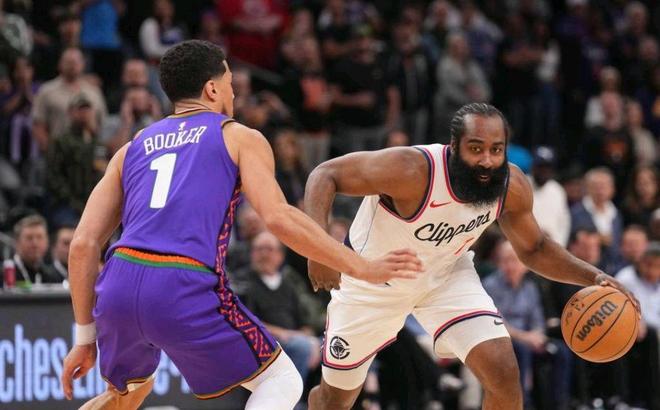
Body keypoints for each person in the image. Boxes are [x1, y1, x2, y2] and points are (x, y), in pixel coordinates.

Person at [60, 40, 421, 410]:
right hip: (181, 279)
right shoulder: (237, 136)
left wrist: (85, 337)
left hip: (118, 282)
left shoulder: (131, 148)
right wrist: (361, 267)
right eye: (229, 82)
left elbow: (83, 244)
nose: (233, 92)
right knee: (280, 379)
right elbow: (279, 217)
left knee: (126, 395)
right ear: (212, 88)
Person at [303, 102, 638, 410]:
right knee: (335, 400)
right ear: (454, 146)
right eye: (476, 148)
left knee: (504, 374)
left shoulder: (510, 185)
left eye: (496, 150)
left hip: (446, 276)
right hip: (372, 282)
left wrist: (594, 277)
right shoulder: (412, 169)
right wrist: (321, 250)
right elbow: (325, 174)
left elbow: (535, 249)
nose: (487, 160)